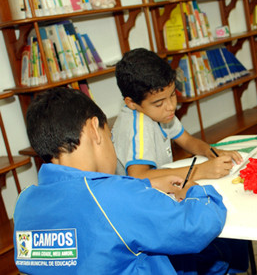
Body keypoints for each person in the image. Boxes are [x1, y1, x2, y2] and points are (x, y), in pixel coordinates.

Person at [13, 87, 236, 274]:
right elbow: (197, 227)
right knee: (220, 251)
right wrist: (195, 192)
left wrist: (142, 186)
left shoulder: (24, 203)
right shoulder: (112, 196)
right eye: (110, 137)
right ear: (94, 129)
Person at [112, 48, 243, 180]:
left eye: (173, 94)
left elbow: (187, 140)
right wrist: (200, 171)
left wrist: (212, 152)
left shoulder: (158, 112)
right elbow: (139, 176)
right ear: (131, 103)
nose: (171, 106)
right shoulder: (139, 126)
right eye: (159, 103)